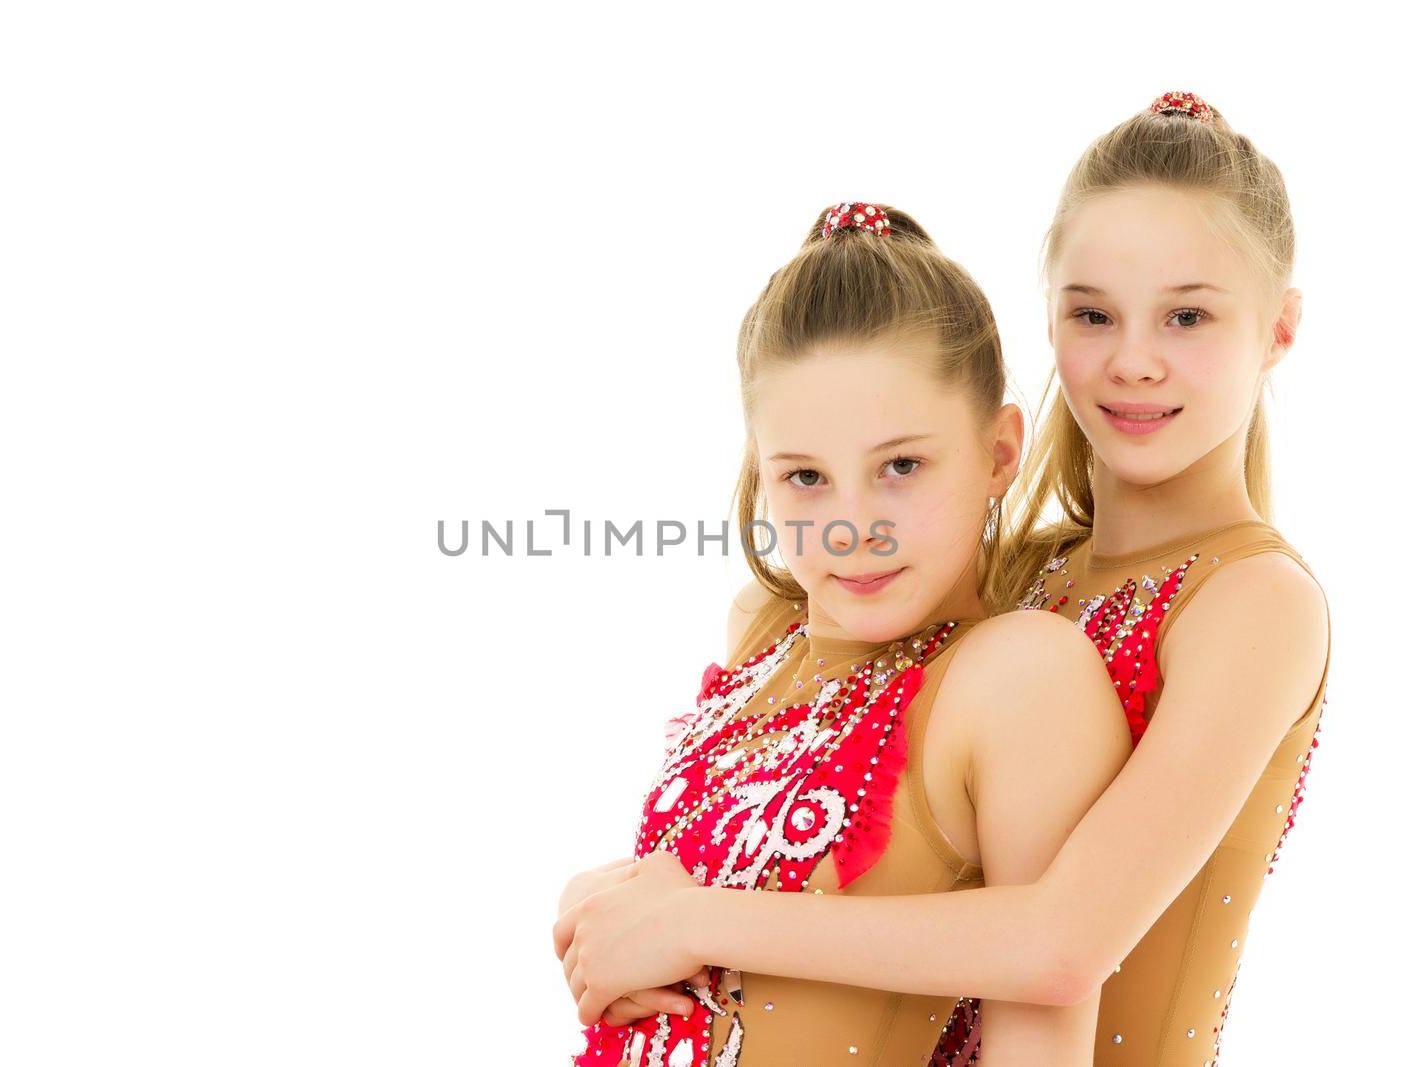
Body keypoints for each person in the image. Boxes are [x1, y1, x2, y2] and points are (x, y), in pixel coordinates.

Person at [554, 91, 1331, 1067]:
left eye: (1185, 315)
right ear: (1048, 319)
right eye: (1091, 313)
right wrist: (621, 896)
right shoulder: (1004, 570)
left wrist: (698, 918)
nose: (1133, 361)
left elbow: (1058, 944)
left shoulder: (1253, 599)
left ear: (1278, 329)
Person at [561, 200, 1133, 1066]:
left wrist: (689, 921)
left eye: (900, 466)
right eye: (805, 478)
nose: (853, 527)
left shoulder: (1020, 678)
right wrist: (594, 915)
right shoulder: (761, 632)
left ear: (999, 451)